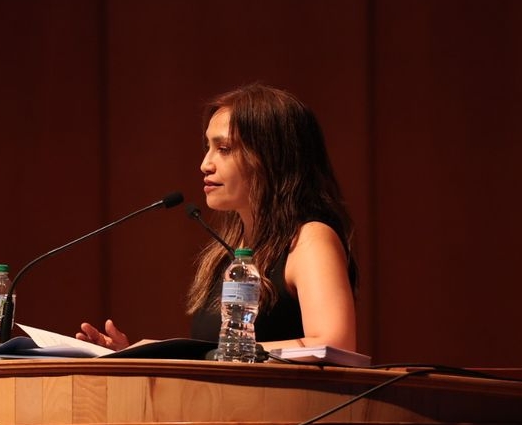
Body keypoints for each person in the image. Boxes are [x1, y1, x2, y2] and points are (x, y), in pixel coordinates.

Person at [77, 83, 358, 352]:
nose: (205, 164)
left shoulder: (309, 240)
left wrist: (198, 355)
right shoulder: (228, 253)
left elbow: (334, 344)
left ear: (271, 156)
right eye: (208, 148)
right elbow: (213, 357)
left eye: (224, 149)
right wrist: (136, 357)